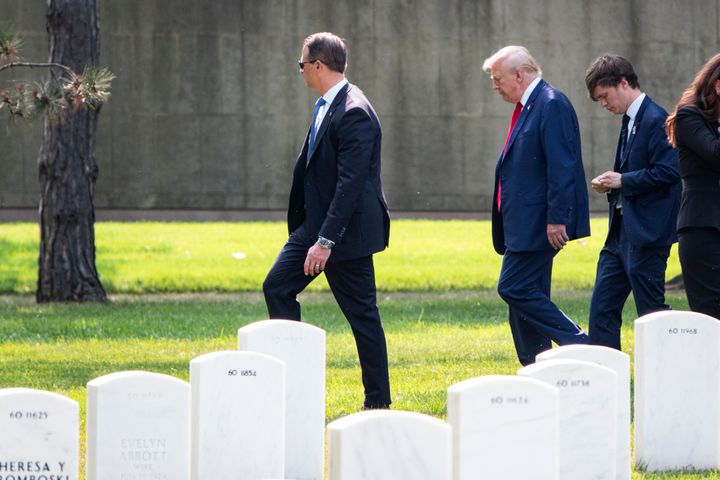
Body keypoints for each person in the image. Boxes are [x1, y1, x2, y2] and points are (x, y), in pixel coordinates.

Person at [263, 32, 392, 409]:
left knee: (363, 317)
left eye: (301, 64)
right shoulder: (327, 105)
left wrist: (326, 242)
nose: (299, 71)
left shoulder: (354, 111)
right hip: (315, 227)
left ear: (318, 65)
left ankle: (378, 403)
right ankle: (292, 386)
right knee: (277, 287)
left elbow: (350, 187)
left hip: (343, 235)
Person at [483, 46, 590, 366]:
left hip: (540, 223)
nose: (494, 85)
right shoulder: (529, 106)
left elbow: (562, 166)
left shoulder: (551, 104)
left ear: (519, 74)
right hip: (523, 222)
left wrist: (558, 219)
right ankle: (538, 367)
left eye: (497, 78)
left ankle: (581, 343)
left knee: (513, 287)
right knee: (527, 299)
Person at [584, 54, 681, 349]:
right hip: (620, 233)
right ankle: (604, 375)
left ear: (623, 82)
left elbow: (670, 171)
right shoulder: (630, 120)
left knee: (651, 312)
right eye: (599, 99)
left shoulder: (655, 119)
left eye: (605, 95)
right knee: (601, 309)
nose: (604, 104)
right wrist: (612, 185)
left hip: (647, 234)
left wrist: (623, 181)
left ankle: (676, 365)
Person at [665, 53, 720, 319]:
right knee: (711, 313)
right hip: (703, 226)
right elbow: (716, 154)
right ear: (718, 86)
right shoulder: (689, 117)